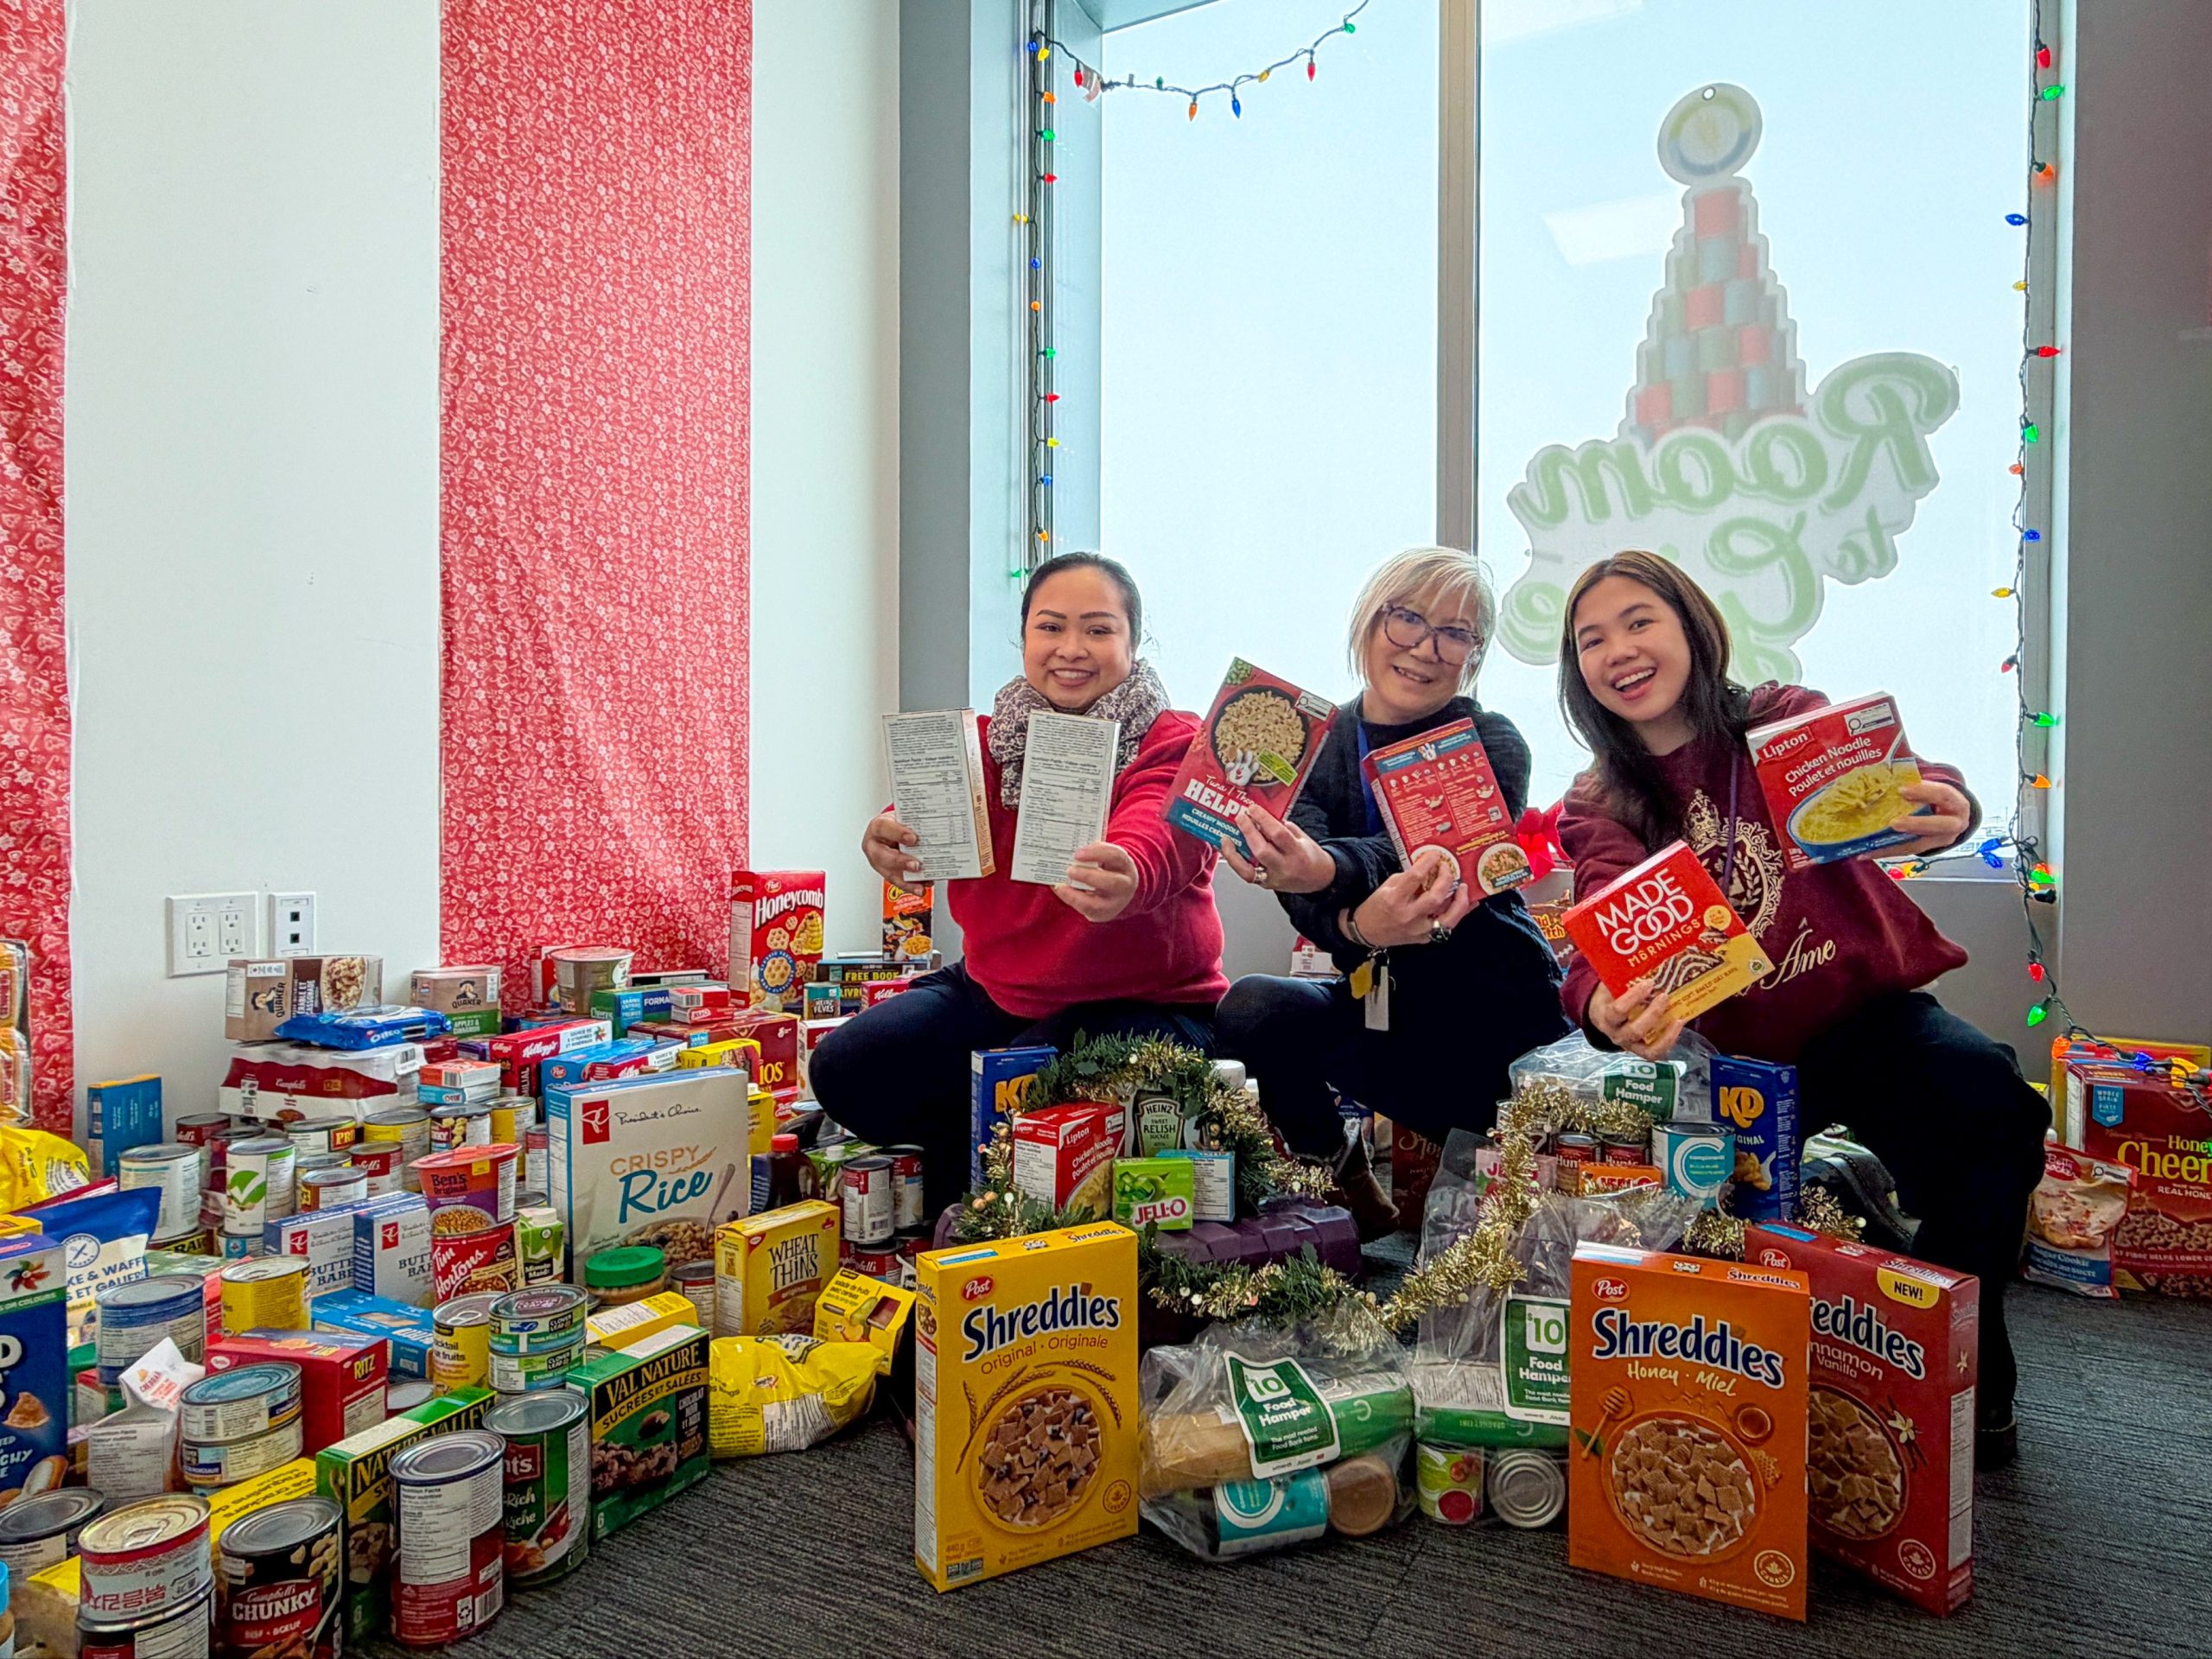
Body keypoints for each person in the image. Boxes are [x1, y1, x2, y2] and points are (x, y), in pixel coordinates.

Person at [1553, 550, 2048, 1468]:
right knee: (1698, 1248)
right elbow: (1595, 920)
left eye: (1638, 621)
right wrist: (1602, 1004)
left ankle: (1964, 1360)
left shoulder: (1775, 719)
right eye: (1590, 640)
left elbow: (1894, 775)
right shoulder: (1597, 799)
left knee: (1988, 1097)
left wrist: (1944, 801)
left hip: (1861, 1016)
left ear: (1692, 627)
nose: (1617, 649)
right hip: (1725, 1062)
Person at [810, 553, 1225, 1211]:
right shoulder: (984, 739)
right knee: (846, 1067)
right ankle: (980, 1175)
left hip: (1151, 1004)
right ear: (1025, 636)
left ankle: (987, 1188)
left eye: (1098, 629)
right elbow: (936, 811)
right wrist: (889, 834)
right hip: (995, 992)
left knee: (1028, 1088)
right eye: (1050, 627)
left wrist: (1130, 869)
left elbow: (1163, 828)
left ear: (1133, 641)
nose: (1071, 650)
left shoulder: (1175, 740)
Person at [1211, 547, 1572, 1238]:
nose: (1423, 648)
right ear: (1369, 623)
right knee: (1254, 1008)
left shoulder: (1491, 741)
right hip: (1383, 1017)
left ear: (1475, 654)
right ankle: (1344, 1179)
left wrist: (1324, 871)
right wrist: (1357, 926)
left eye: (1454, 633)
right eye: (1406, 619)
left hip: (1494, 1018)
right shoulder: (1312, 743)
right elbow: (1302, 901)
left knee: (1500, 1244)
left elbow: (1426, 853)